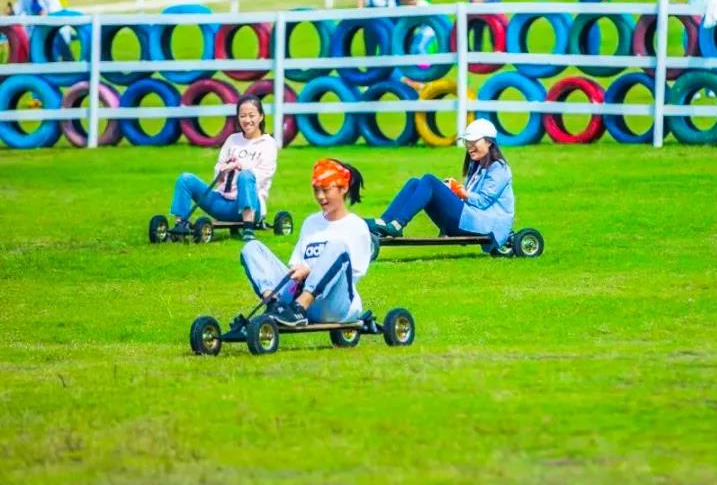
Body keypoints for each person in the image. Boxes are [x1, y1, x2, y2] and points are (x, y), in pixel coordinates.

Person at [240, 159, 372, 327]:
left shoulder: (356, 226)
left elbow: (353, 273)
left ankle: (300, 307)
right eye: (316, 190)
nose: (320, 197)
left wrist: (309, 271)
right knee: (251, 248)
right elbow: (297, 263)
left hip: (334, 305)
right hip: (296, 297)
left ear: (343, 188)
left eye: (325, 190)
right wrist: (297, 272)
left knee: (337, 247)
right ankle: (274, 306)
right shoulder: (311, 222)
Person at [366, 118, 515, 250]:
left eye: (474, 141)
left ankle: (398, 224)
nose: (469, 146)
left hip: (484, 225)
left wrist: (462, 193)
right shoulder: (476, 165)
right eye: (467, 142)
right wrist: (452, 190)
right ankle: (385, 222)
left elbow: (483, 201)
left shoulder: (499, 168)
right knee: (414, 183)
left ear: (489, 142)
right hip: (470, 219)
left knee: (429, 180)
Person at [170, 94, 278, 241]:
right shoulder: (232, 139)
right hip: (222, 202)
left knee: (246, 175)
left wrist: (239, 165)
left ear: (261, 117)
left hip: (251, 205)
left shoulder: (268, 143)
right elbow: (217, 174)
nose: (247, 120)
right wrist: (222, 170)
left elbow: (262, 176)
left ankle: (248, 228)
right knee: (185, 179)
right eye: (242, 116)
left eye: (251, 115)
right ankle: (179, 225)